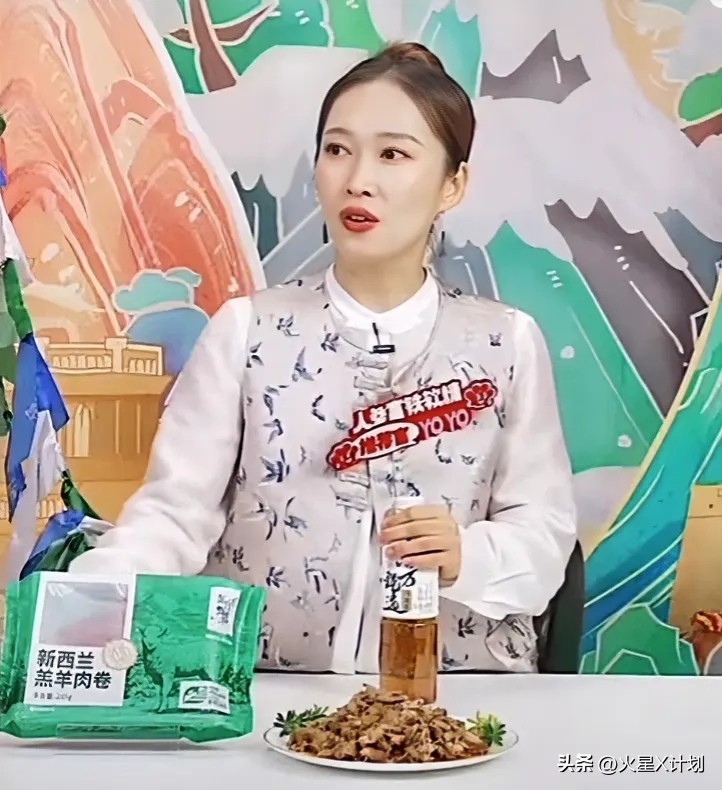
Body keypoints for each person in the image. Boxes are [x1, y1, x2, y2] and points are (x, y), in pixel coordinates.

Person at [70, 42, 577, 674]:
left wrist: (467, 557)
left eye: (393, 154)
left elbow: (545, 533)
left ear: (453, 185)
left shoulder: (507, 343)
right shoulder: (247, 331)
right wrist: (78, 610)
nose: (357, 180)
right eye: (337, 150)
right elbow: (173, 516)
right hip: (267, 689)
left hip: (461, 695)